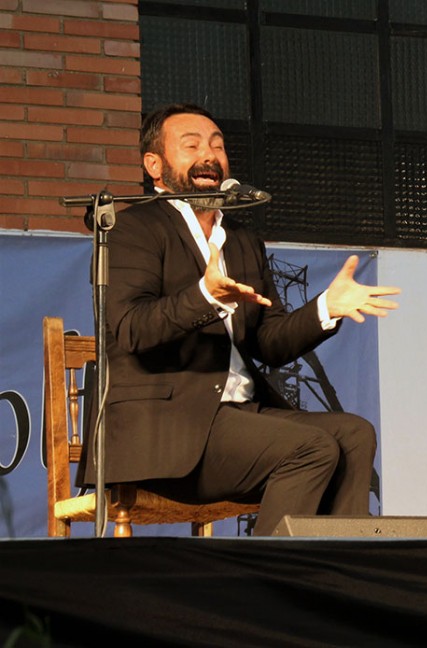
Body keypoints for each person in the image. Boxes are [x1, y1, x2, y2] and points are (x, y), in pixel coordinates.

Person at [85, 103, 400, 537]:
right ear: (154, 165)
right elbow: (131, 329)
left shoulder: (242, 242)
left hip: (240, 421)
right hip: (168, 432)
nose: (209, 155)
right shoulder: (132, 228)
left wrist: (326, 307)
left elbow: (268, 343)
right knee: (312, 449)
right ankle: (262, 587)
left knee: (354, 434)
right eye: (191, 145)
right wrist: (203, 296)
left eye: (217, 145)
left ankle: (331, 578)